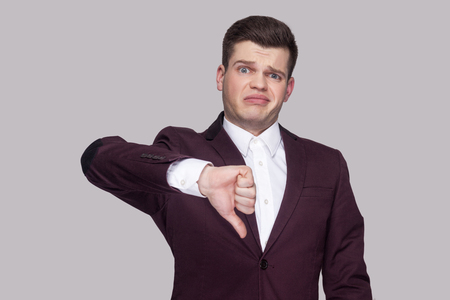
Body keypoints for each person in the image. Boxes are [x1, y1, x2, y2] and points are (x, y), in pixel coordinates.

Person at [81, 15, 372, 300]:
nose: (259, 84)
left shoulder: (328, 164)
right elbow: (98, 159)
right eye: (245, 70)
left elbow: (349, 282)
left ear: (288, 89)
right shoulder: (181, 149)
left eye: (273, 75)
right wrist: (200, 177)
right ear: (221, 76)